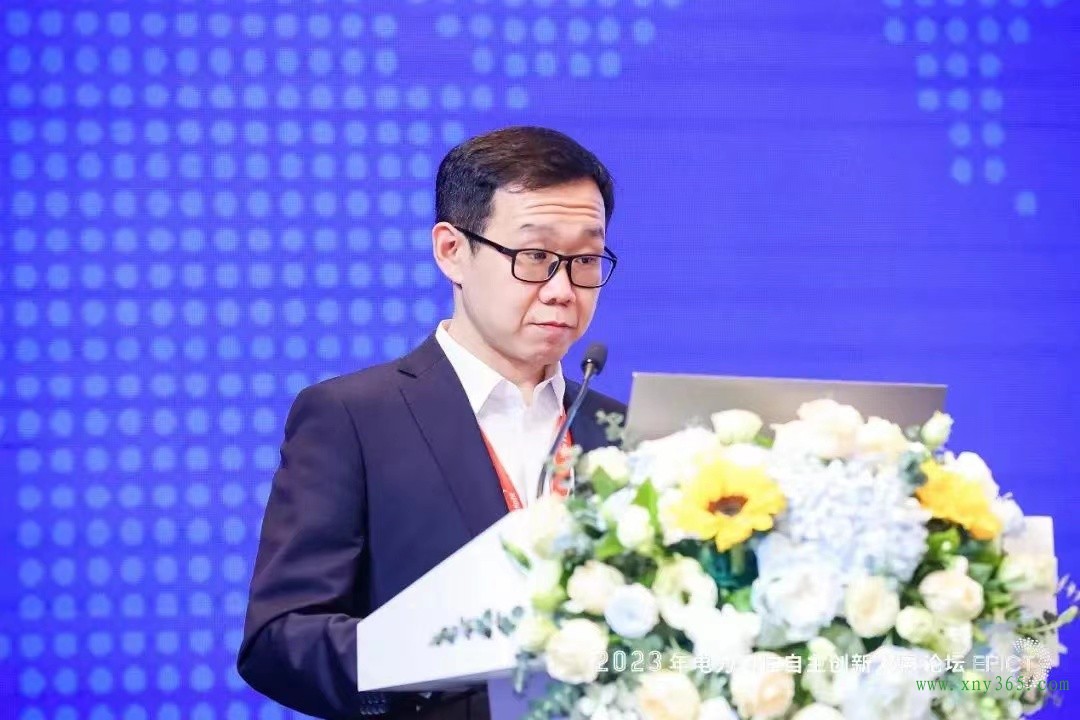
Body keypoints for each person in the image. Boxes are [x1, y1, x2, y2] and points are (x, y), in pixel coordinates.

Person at [237, 126, 627, 720]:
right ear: (451, 251)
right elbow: (280, 639)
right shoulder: (354, 416)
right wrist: (442, 656)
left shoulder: (619, 429)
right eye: (535, 257)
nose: (562, 289)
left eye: (586, 260)